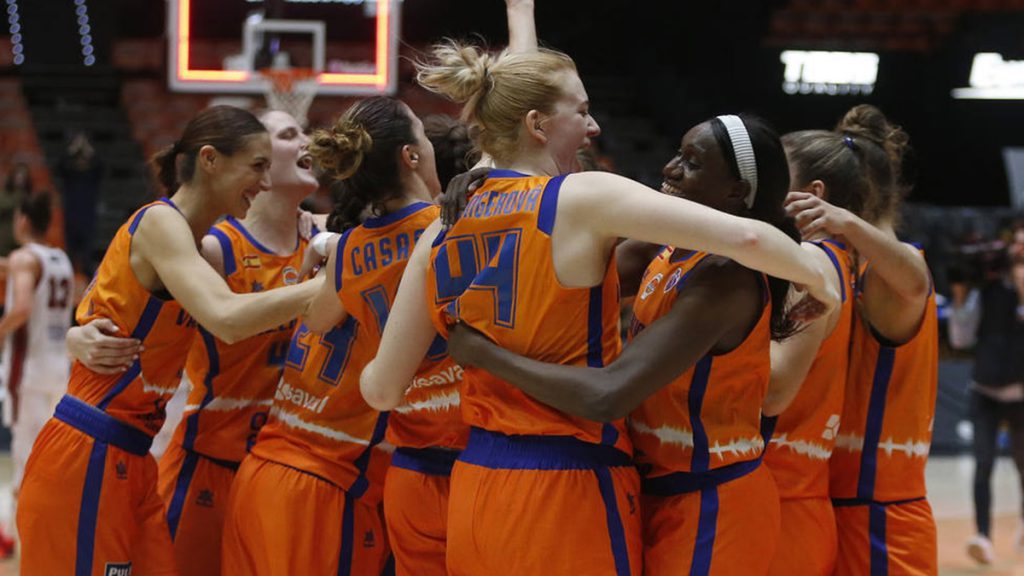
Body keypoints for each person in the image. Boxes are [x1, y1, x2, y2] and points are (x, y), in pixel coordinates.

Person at [360, 40, 837, 575]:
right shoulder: (591, 206)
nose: (595, 128)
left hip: (479, 479)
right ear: (538, 124)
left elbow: (381, 389)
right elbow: (751, 239)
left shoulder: (446, 225)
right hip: (574, 480)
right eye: (583, 112)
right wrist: (820, 277)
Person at [15, 105, 323, 576]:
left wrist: (78, 334)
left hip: (135, 455)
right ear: (210, 160)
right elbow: (226, 317)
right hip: (91, 447)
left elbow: (103, 305)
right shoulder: (161, 224)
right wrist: (333, 285)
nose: (263, 182)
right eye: (256, 166)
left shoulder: (194, 245)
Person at [221, 96, 442, 576]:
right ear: (410, 155)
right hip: (331, 483)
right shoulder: (448, 234)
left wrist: (327, 244)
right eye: (422, 134)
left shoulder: (346, 252)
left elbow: (318, 319)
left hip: (263, 465)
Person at [786, 105, 938, 576]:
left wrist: (848, 223)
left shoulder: (891, 273)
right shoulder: (842, 266)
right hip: (840, 504)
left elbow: (915, 281)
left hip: (880, 516)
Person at [761, 126, 879, 576]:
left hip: (782, 503)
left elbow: (775, 390)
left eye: (777, 176)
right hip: (798, 498)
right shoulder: (840, 260)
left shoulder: (808, 263)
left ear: (813, 193)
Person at [948, 223, 1024, 565]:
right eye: (1016, 246)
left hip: (1021, 395)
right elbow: (961, 340)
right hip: (985, 392)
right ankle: (982, 535)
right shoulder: (988, 291)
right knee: (983, 465)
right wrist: (961, 297)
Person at [0, 162, 31, 258]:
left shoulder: (28, 196)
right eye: (18, 175)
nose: (20, 179)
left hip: (22, 237)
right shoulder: (3, 195)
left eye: (23, 176)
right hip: (5, 235)